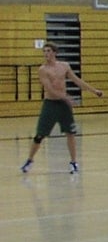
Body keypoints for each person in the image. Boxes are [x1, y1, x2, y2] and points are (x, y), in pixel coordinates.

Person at [20, 41, 103, 174]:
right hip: (50, 104)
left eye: (48, 51)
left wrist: (94, 91)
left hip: (63, 105)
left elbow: (77, 81)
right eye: (44, 51)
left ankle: (73, 162)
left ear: (54, 53)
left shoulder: (64, 66)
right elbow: (50, 89)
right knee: (40, 135)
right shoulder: (43, 70)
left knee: (70, 133)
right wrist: (67, 98)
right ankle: (30, 160)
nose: (46, 54)